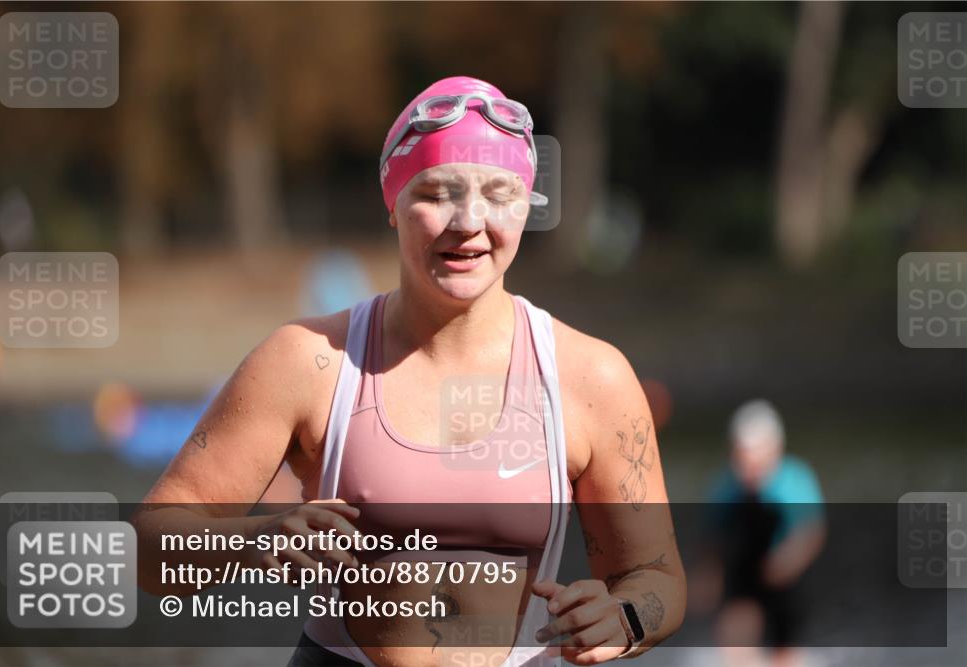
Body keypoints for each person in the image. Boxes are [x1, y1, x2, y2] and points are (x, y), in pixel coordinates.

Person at [135, 76, 685, 667]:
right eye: (437, 192)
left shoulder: (589, 378)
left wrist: (624, 618)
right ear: (392, 204)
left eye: (499, 194)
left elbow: (654, 576)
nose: (469, 222)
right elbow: (151, 550)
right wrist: (255, 540)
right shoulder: (308, 361)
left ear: (527, 207)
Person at [696, 400, 826, 667]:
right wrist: (709, 576)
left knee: (784, 638)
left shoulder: (793, 481)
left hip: (785, 575)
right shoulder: (727, 487)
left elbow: (811, 530)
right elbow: (714, 537)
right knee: (735, 631)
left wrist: (788, 559)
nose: (748, 465)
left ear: (773, 450)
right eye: (742, 456)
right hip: (744, 566)